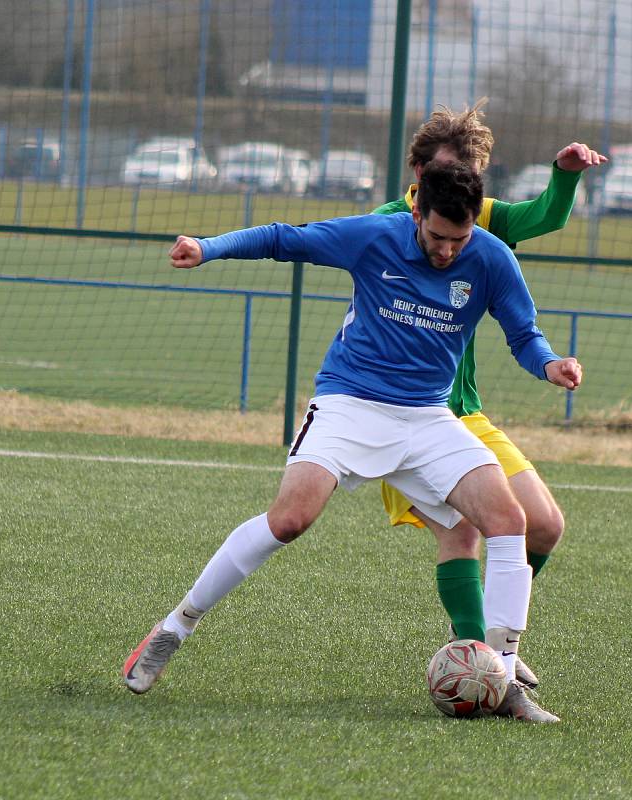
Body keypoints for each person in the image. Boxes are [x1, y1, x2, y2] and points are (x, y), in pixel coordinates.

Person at [123, 161, 582, 722]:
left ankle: (505, 679)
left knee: (510, 521)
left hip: (428, 417)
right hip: (350, 405)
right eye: (437, 236)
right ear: (417, 213)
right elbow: (284, 239)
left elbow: (524, 335)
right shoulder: (375, 235)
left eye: (458, 240)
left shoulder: (490, 257)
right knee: (289, 520)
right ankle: (175, 627)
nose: (446, 251)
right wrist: (208, 247)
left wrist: (551, 364)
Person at [374, 103, 605, 689]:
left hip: (464, 413)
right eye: (450, 174)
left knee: (545, 526)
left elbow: (544, 217)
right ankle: (484, 663)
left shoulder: (480, 221)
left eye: (473, 177)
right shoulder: (384, 224)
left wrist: (565, 173)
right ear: (420, 175)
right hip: (402, 415)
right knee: (464, 533)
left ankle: (492, 639)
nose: (463, 189)